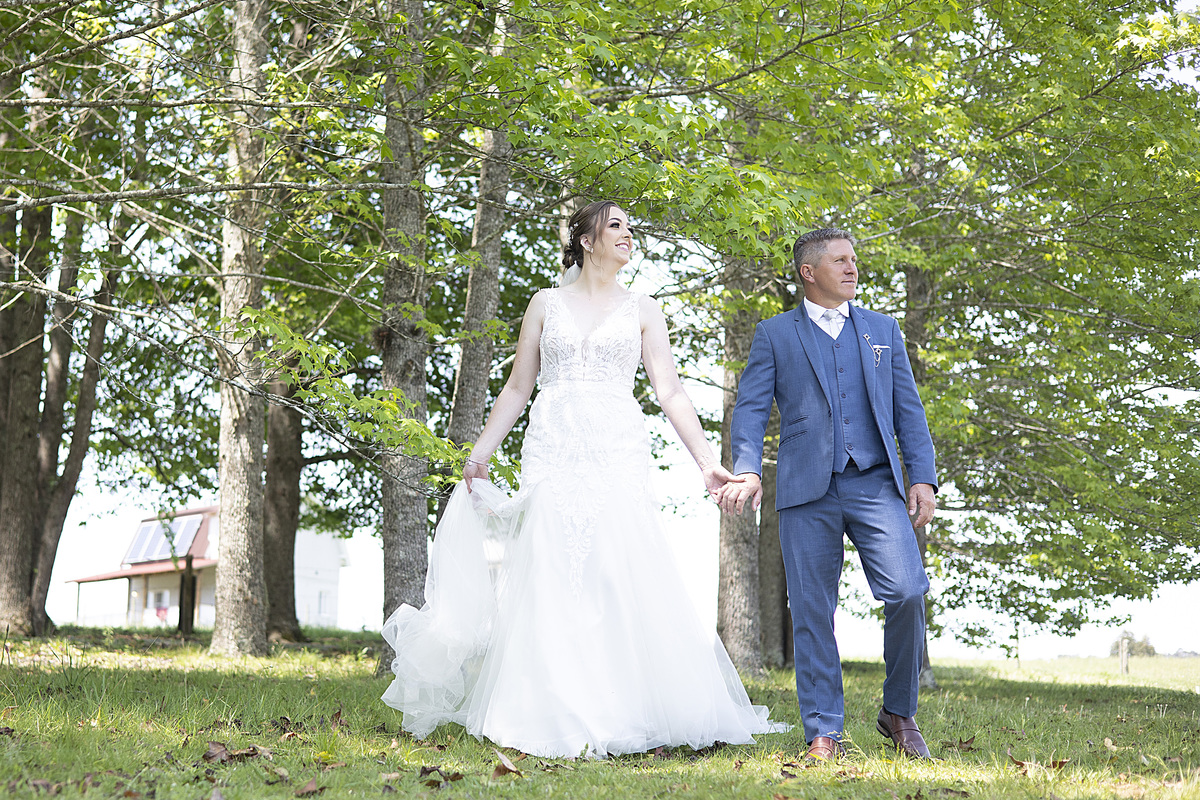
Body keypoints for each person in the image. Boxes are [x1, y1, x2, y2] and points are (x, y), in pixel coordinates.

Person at [381, 200, 788, 759]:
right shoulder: (545, 304)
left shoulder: (644, 308)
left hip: (616, 447)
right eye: (615, 225)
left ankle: (624, 707)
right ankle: (545, 706)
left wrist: (704, 461)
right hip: (554, 448)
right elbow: (518, 387)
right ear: (587, 239)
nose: (627, 235)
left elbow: (669, 390)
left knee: (614, 567)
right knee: (550, 565)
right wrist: (479, 454)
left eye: (630, 228)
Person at [717, 227, 938, 762]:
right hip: (804, 487)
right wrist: (747, 469)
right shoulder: (775, 334)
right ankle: (824, 730)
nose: (852, 268)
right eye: (839, 260)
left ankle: (898, 712)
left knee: (908, 591)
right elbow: (748, 408)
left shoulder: (883, 330)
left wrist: (923, 477)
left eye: (854, 260)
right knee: (813, 610)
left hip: (874, 483)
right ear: (807, 272)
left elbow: (908, 409)